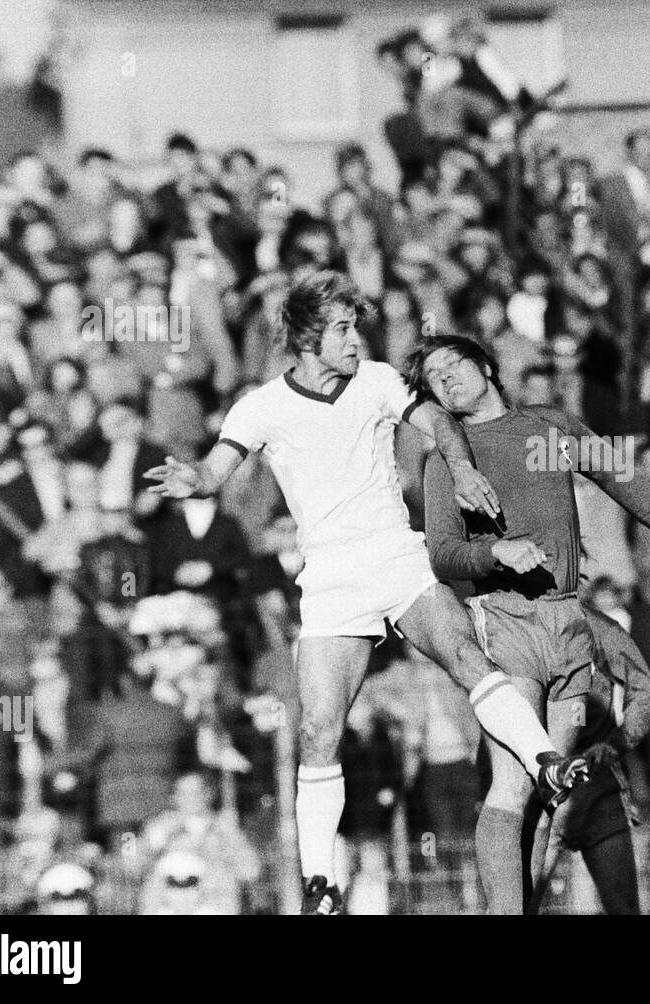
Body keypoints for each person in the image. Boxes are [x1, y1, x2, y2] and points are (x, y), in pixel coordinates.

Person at [144, 271, 590, 915]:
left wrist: (462, 468)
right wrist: (195, 479)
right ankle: (321, 885)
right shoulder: (260, 405)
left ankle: (544, 760)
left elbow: (436, 420)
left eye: (358, 327)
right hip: (328, 577)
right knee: (319, 727)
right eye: (343, 330)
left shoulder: (378, 379)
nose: (357, 341)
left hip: (394, 554)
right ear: (304, 339)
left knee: (467, 658)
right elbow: (218, 470)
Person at [408, 333, 650, 914]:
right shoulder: (445, 461)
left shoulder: (550, 426)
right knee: (513, 787)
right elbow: (442, 553)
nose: (448, 378)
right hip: (505, 623)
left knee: (556, 797)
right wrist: (495, 554)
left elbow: (624, 481)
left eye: (455, 364)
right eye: (435, 377)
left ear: (485, 365)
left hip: (568, 619)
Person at [526, 605, 650, 915]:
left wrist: (614, 746)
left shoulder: (601, 630)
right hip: (535, 795)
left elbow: (648, 695)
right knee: (517, 907)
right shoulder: (506, 624)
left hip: (597, 790)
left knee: (624, 908)